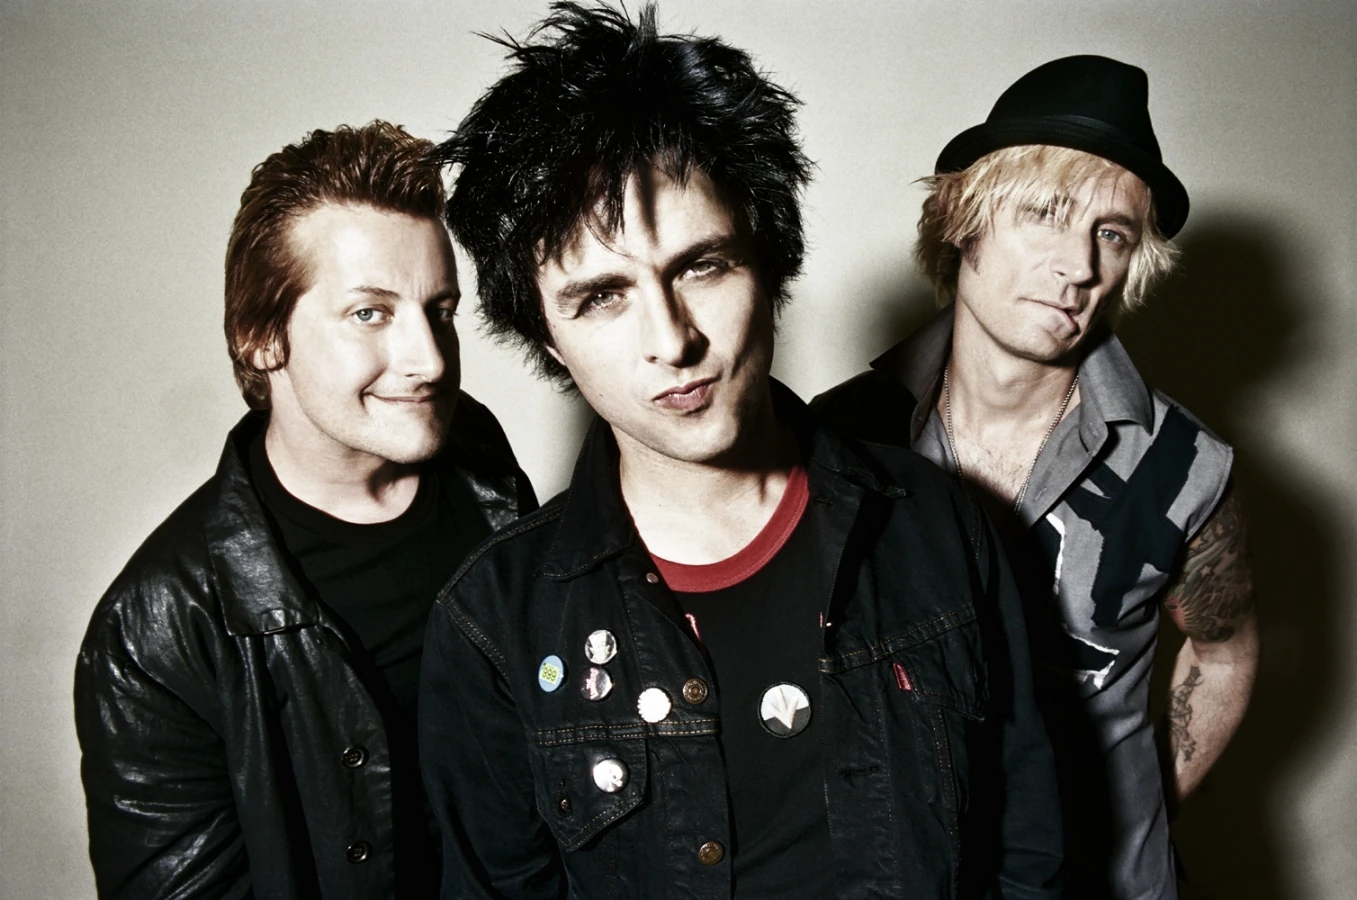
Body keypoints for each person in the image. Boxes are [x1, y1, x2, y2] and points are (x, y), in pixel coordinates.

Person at [418, 5, 1062, 898]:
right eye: (602, 296)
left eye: (702, 265)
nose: (671, 340)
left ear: (767, 262)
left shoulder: (939, 527)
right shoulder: (493, 624)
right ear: (549, 340)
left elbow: (1029, 856)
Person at [813, 55, 1259, 899]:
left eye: (1111, 234)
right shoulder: (838, 438)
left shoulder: (1183, 466)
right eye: (1044, 214)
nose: (1078, 265)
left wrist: (1136, 811)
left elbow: (1224, 652)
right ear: (961, 221)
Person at [74, 121, 536, 899]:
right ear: (260, 338)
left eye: (440, 310)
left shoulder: (481, 461)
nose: (428, 361)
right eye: (369, 313)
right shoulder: (157, 626)